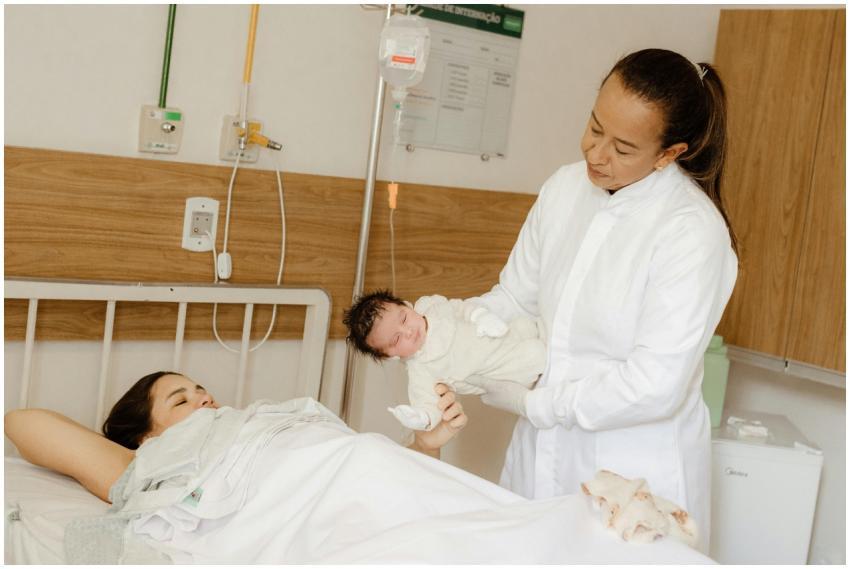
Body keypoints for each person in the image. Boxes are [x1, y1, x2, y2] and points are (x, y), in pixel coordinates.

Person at [460, 48, 738, 553]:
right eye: (594, 127)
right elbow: (515, 299)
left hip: (635, 477)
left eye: (623, 147)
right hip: (540, 455)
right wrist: (449, 338)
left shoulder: (690, 232)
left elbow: (656, 383)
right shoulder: (564, 188)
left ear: (669, 153)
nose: (596, 153)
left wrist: (538, 404)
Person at [3, 371, 467, 503]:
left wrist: (427, 444)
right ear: (147, 438)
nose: (204, 399)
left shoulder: (257, 420)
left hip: (362, 471)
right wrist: (126, 457)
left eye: (202, 390)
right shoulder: (153, 463)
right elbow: (21, 422)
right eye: (181, 401)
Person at [343, 290, 546, 431]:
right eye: (397, 339)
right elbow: (428, 403)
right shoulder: (420, 369)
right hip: (501, 371)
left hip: (496, 333)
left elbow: (460, 307)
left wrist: (479, 315)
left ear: (406, 305)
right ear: (390, 356)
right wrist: (421, 418)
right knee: (535, 355)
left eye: (404, 318)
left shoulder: (431, 306)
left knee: (526, 325)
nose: (409, 331)